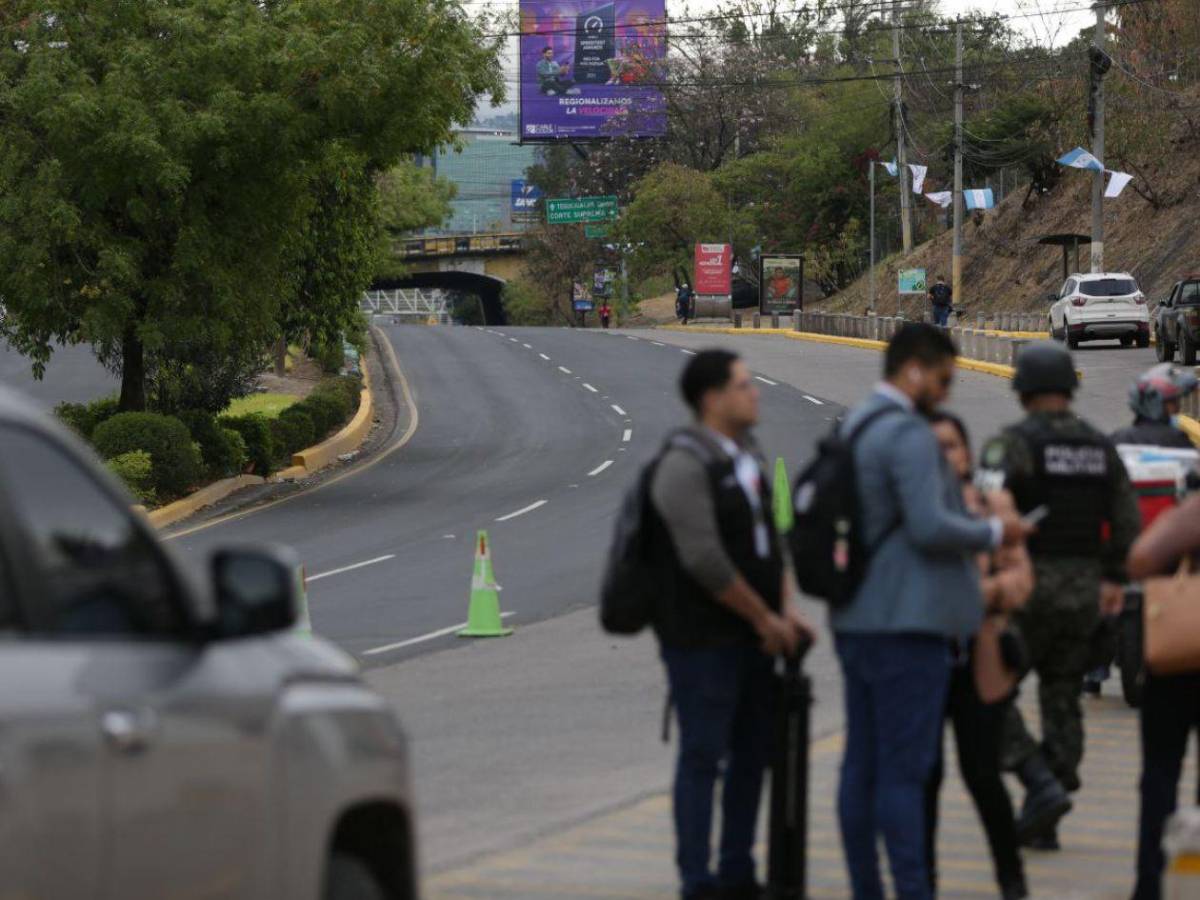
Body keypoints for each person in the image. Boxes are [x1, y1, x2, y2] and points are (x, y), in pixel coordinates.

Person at [833, 323, 1027, 900]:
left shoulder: (857, 423)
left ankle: (869, 887)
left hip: (860, 619)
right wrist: (995, 529)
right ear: (915, 368)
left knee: (862, 769)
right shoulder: (910, 434)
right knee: (904, 774)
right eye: (944, 378)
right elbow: (928, 525)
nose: (946, 392)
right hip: (908, 626)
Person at [649, 349, 812, 900]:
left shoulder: (748, 455)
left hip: (754, 639)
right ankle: (698, 881)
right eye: (744, 385)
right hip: (701, 642)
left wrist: (785, 610)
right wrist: (764, 616)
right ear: (712, 398)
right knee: (703, 757)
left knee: (752, 756)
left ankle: (737, 871)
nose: (755, 392)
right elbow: (704, 559)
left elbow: (769, 545)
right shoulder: (683, 464)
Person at [978, 342, 1141, 851]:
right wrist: (1112, 580)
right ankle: (1047, 805)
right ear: (1069, 389)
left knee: (988, 694)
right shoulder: (1100, 446)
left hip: (1027, 590)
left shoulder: (1013, 443)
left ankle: (1038, 782)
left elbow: (984, 501)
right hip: (1086, 593)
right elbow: (1127, 521)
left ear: (1024, 391)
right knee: (1063, 696)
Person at [925, 411, 1033, 900]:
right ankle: (919, 883)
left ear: (967, 453)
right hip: (922, 665)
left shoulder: (992, 506)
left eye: (952, 445)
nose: (945, 455)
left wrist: (980, 594)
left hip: (979, 659)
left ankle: (1011, 879)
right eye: (934, 447)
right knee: (923, 781)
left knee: (983, 775)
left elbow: (1019, 579)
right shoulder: (913, 508)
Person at [1085, 363, 1199, 695]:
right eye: (1171, 405)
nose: (1176, 411)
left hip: (1121, 544)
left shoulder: (1117, 440)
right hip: (1165, 548)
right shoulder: (1182, 445)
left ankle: (1095, 667)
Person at [1126, 494, 1200, 899]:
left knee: (1159, 776)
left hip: (1175, 661)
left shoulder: (1192, 512)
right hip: (1177, 669)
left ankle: (1150, 884)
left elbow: (1139, 561)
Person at [1110, 363, 1199, 449]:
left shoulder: (1119, 438)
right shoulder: (1177, 438)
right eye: (1172, 402)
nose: (1177, 408)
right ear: (1153, 403)